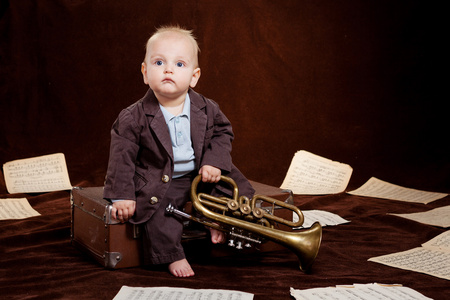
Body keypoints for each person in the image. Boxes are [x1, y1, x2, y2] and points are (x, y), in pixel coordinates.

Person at [103, 25, 255, 277]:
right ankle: (171, 254)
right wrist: (122, 195)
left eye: (179, 64)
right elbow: (122, 158)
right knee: (158, 211)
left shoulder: (206, 108)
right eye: (159, 62)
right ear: (144, 72)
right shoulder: (132, 117)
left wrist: (213, 162)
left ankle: (218, 221)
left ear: (194, 77)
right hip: (163, 178)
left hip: (201, 171)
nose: (169, 69)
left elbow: (222, 133)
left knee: (238, 190)